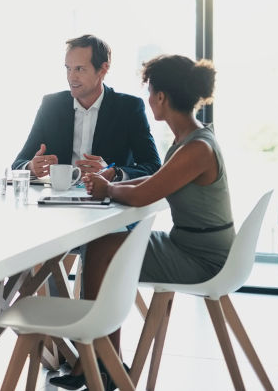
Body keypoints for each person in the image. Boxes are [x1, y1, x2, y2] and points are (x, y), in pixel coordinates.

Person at [51, 54, 233, 391]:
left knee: (104, 247)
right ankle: (103, 357)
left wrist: (110, 188)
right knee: (105, 244)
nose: (149, 100)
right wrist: (112, 184)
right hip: (193, 244)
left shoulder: (196, 149)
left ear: (161, 97)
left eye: (150, 92)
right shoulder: (190, 140)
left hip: (202, 258)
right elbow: (155, 181)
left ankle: (98, 358)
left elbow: (144, 195)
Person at [12, 34, 160, 182]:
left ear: (103, 69)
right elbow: (18, 163)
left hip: (109, 201)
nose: (71, 77)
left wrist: (114, 172)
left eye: (80, 69)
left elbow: (153, 166)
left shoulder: (129, 108)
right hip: (58, 200)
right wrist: (30, 167)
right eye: (68, 69)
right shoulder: (51, 105)